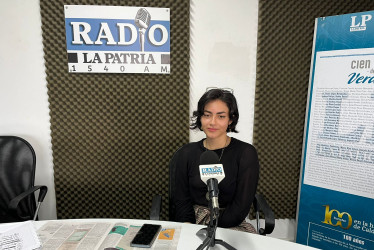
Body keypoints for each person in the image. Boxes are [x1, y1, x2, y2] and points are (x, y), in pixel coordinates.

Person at [174, 88, 260, 233]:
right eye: (207, 115)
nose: (212, 122)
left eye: (220, 116)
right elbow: (181, 201)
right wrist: (190, 229)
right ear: (200, 118)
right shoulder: (186, 153)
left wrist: (214, 229)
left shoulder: (245, 153)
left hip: (230, 223)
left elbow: (241, 206)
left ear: (230, 120)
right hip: (193, 223)